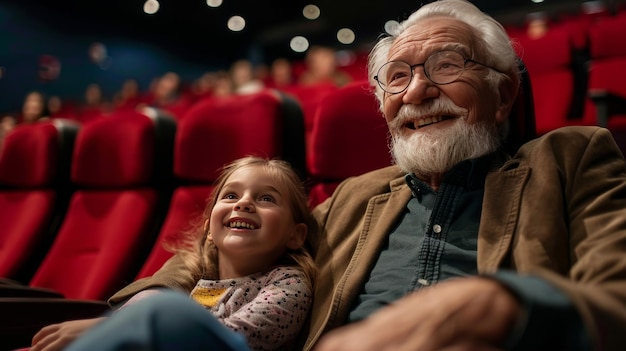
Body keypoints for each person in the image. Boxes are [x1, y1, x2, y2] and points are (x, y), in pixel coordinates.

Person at [29, 0, 626, 350]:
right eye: (396, 77)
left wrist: (500, 302)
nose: (417, 92)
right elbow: (224, 250)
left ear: (504, 93)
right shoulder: (355, 197)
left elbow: (616, 294)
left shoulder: (572, 159)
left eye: (447, 66)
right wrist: (126, 313)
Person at [29, 156, 318, 351]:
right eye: (231, 195)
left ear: (296, 235)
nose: (243, 203)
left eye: (266, 198)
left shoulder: (288, 282)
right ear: (208, 229)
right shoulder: (203, 283)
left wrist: (125, 324)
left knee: (165, 308)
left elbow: (235, 335)